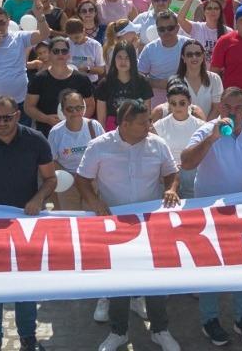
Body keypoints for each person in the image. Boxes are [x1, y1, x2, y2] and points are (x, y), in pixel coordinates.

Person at [76, 100, 182, 351]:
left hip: (150, 223)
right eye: (143, 122)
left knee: (155, 278)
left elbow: (172, 172)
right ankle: (118, 332)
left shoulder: (158, 144)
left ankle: (160, 330)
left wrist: (171, 188)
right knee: (118, 279)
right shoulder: (99, 146)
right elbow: (82, 178)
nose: (150, 125)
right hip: (114, 224)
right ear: (125, 124)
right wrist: (94, 201)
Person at [181, 87, 242, 346]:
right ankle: (209, 319)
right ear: (220, 108)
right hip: (209, 214)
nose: (233, 113)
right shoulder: (206, 130)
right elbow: (186, 163)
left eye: (238, 109)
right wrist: (211, 139)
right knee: (210, 268)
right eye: (227, 108)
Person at [0, 96, 58, 351]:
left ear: (17, 115)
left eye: (7, 118)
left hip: (26, 223)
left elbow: (50, 179)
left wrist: (39, 198)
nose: (2, 123)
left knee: (24, 282)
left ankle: (27, 335)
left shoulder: (36, 141)